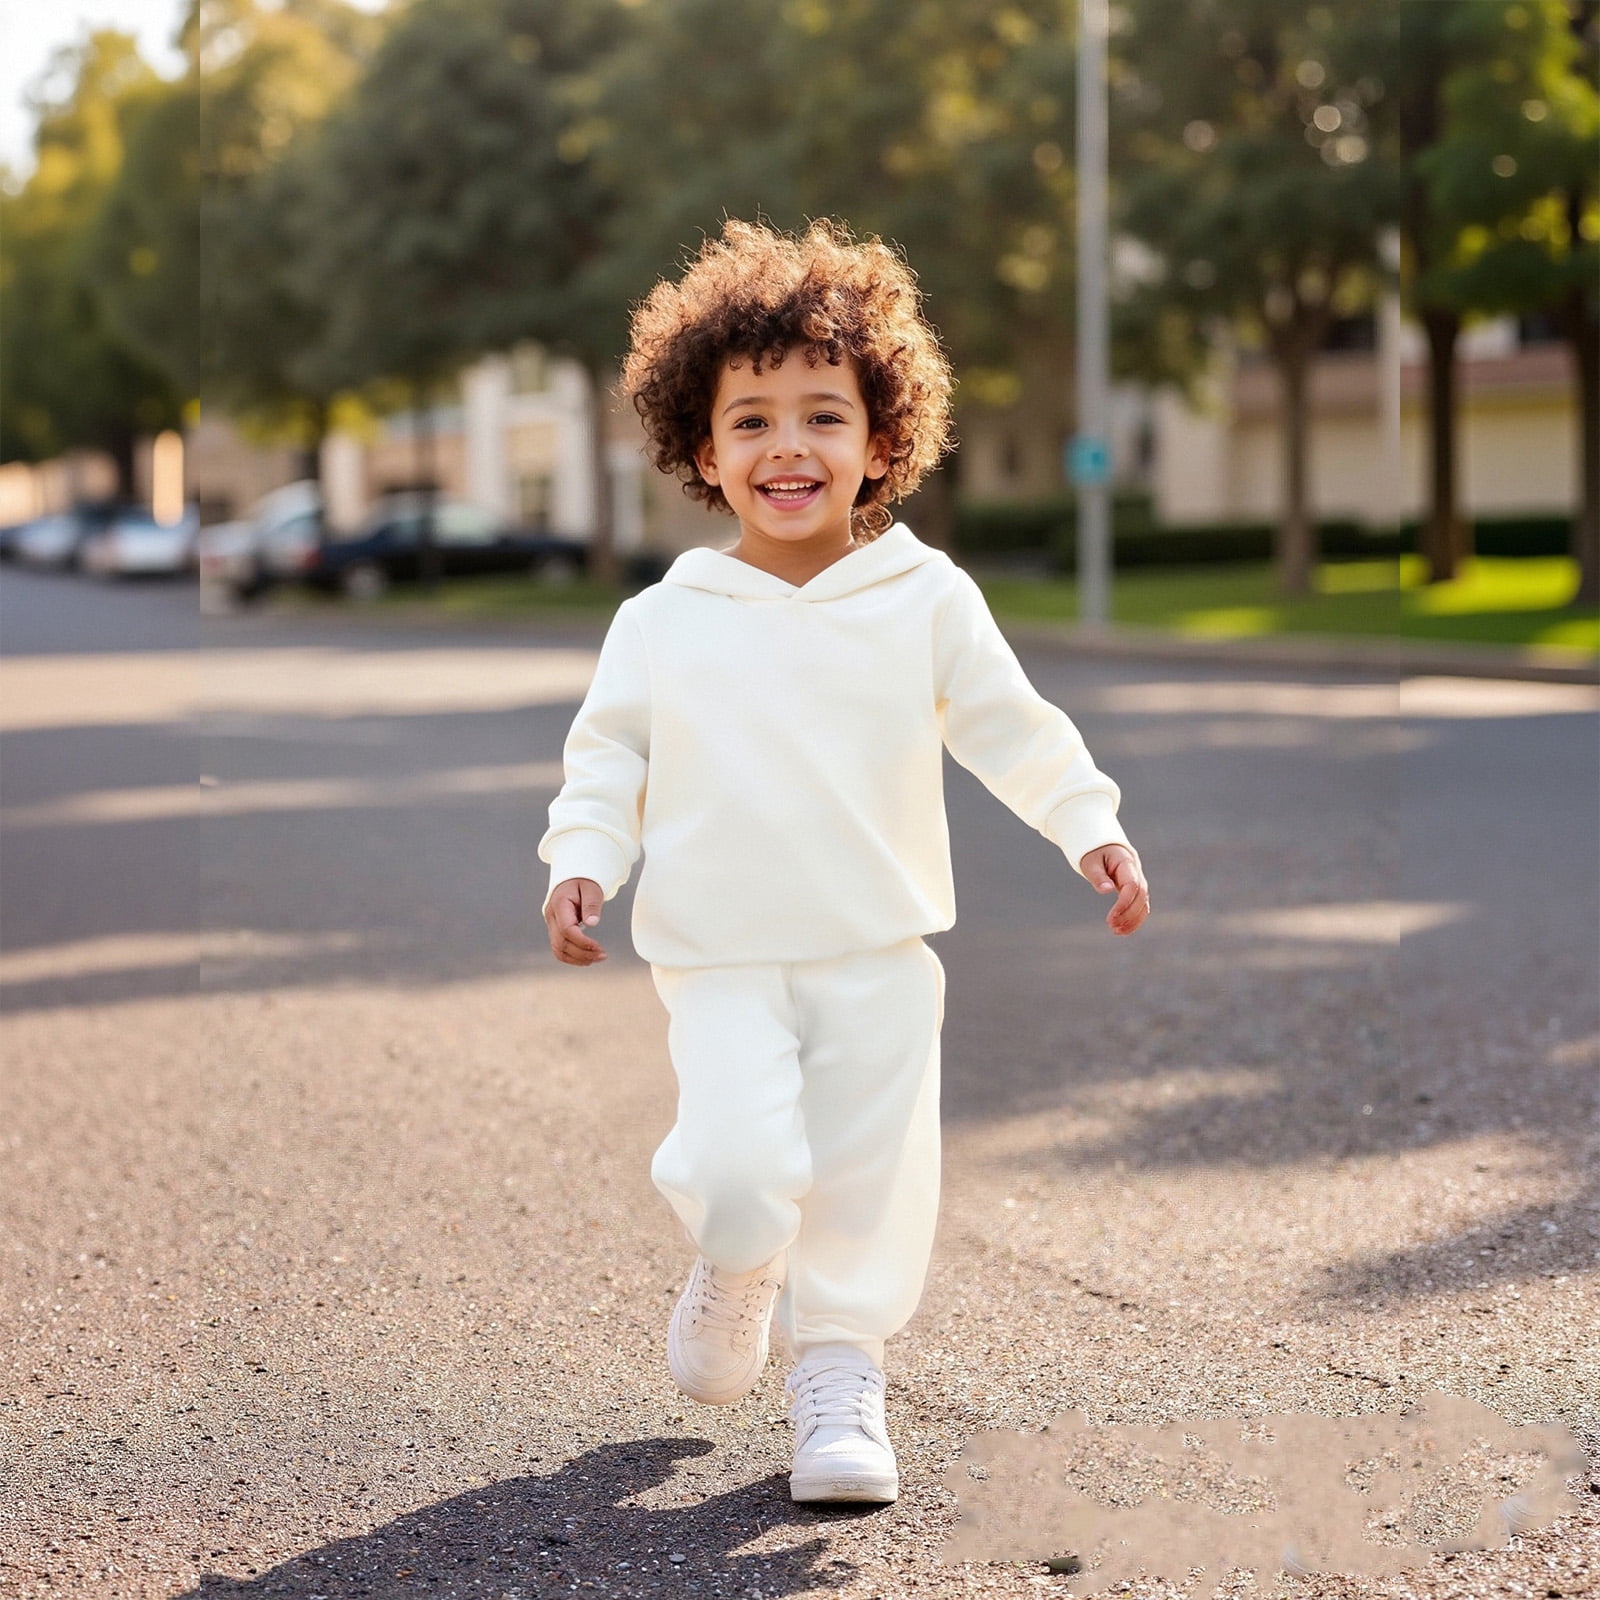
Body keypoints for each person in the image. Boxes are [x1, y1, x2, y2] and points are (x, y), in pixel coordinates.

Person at [540, 219, 1149, 1506]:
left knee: (870, 1177)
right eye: (751, 421)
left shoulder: (925, 599)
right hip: (720, 951)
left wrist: (1087, 823)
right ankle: (735, 1258)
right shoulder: (663, 621)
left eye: (823, 415)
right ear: (701, 451)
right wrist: (582, 857)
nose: (787, 447)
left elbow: (1012, 729)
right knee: (742, 1166)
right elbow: (608, 762)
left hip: (878, 946)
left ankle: (839, 1377)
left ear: (882, 444)